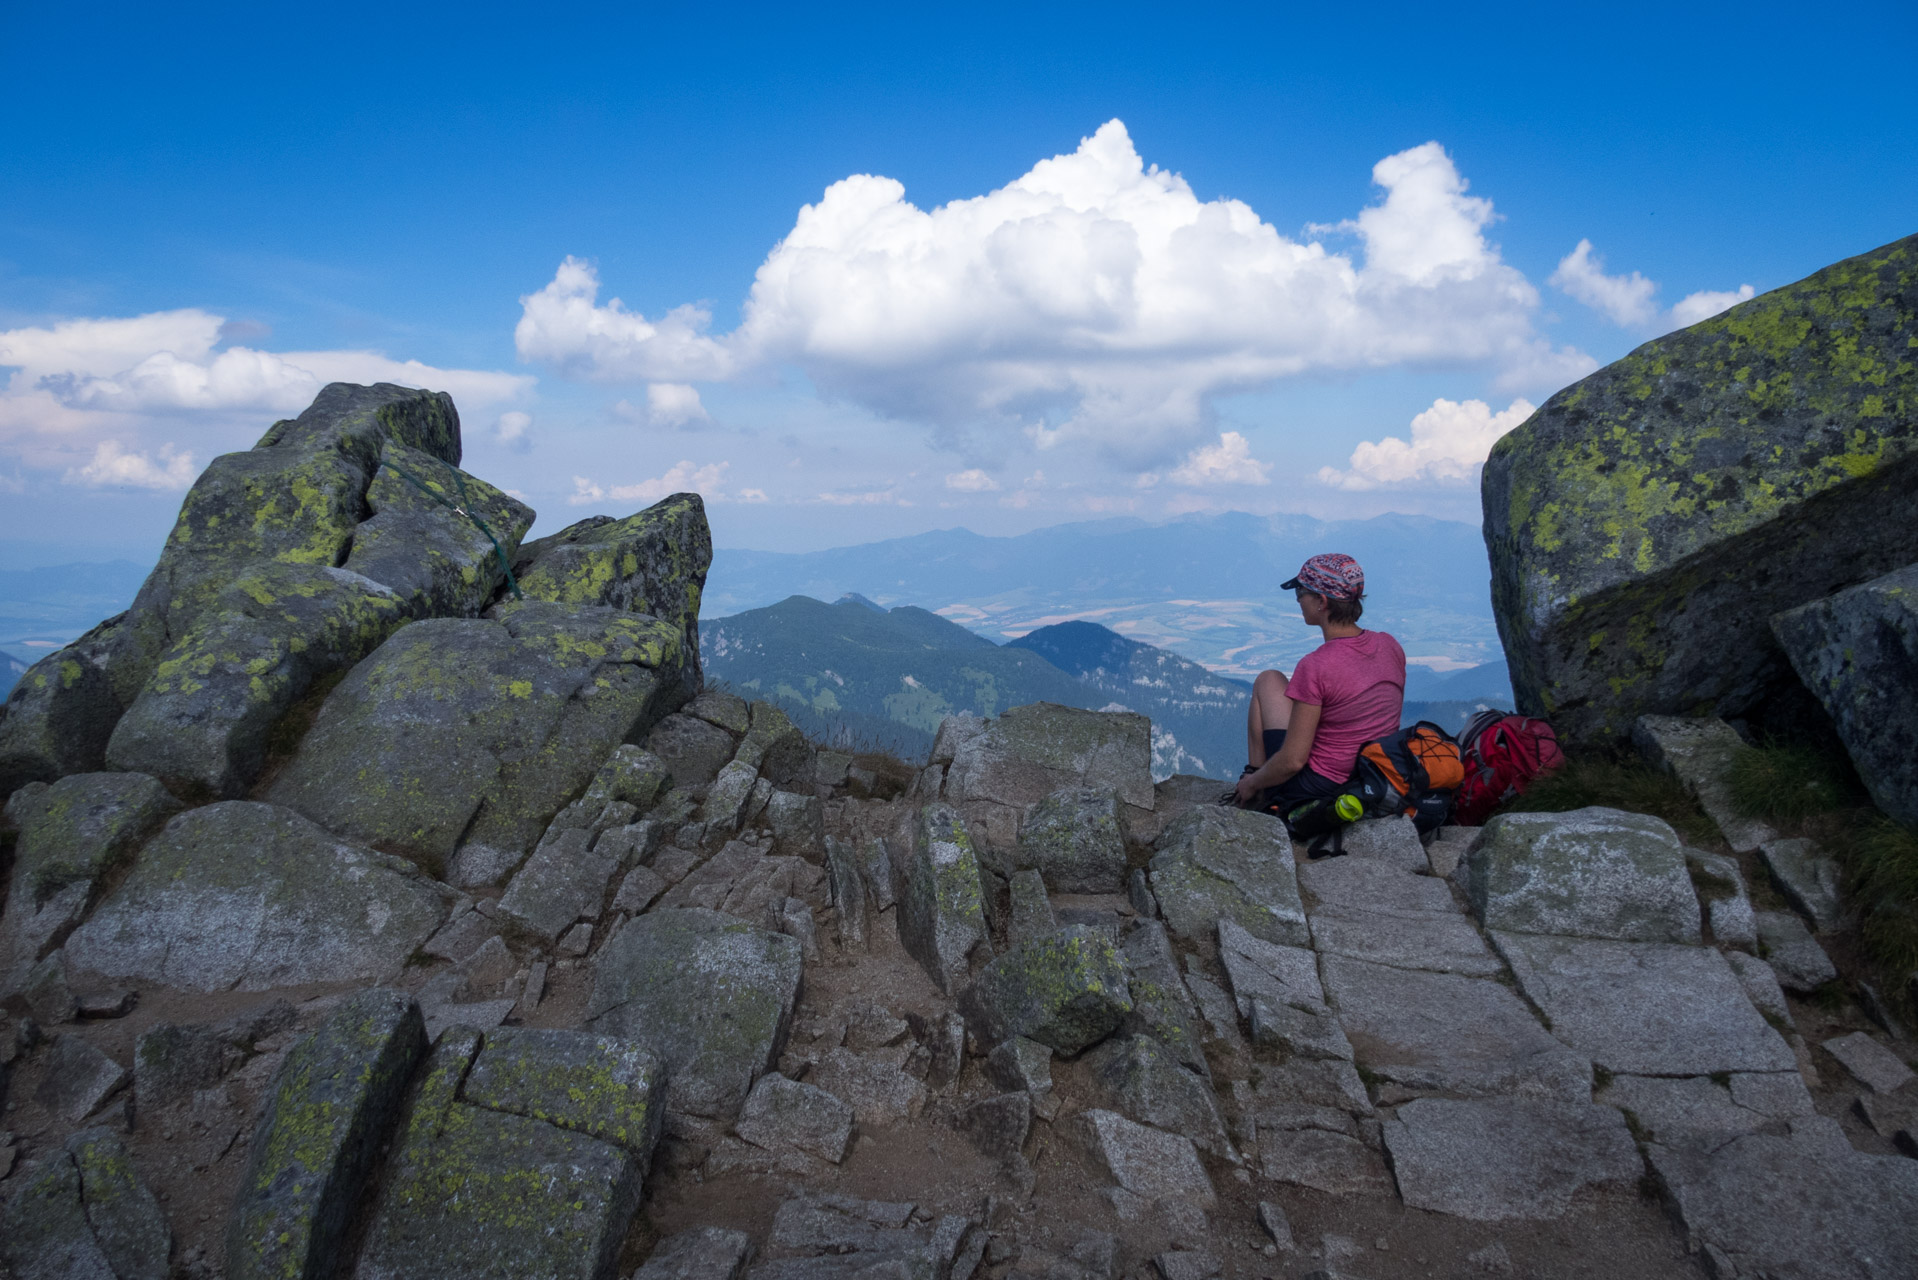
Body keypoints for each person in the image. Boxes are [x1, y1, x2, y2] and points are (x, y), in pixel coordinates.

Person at [1232, 553, 1406, 812]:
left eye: (1301, 592)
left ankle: (1254, 789)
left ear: (1321, 602)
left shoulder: (1316, 665)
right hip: (1374, 775)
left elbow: (1293, 761)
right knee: (1271, 679)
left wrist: (1255, 781)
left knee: (1266, 682)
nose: (1298, 600)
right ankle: (1256, 782)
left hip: (1322, 786)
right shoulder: (1389, 645)